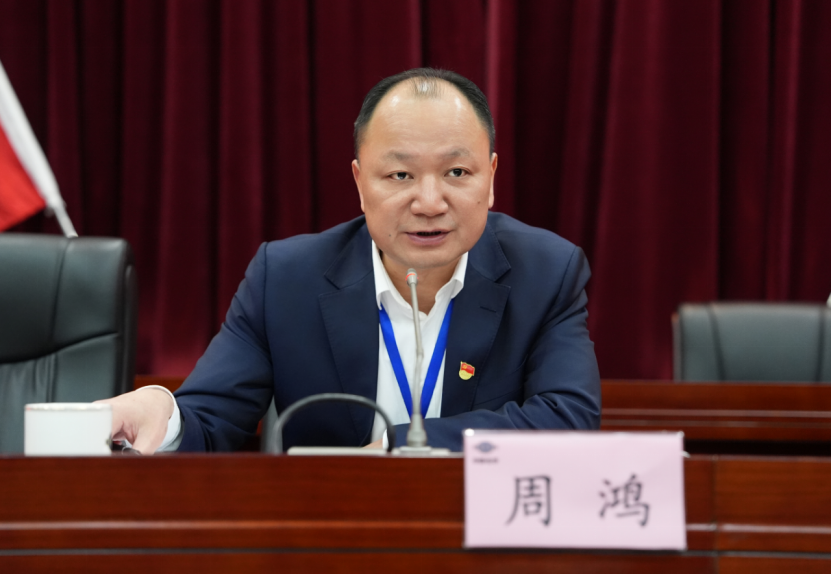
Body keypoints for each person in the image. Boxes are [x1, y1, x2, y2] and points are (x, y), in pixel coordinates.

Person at [99, 68, 601, 453]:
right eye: (400, 176)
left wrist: (399, 448)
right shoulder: (286, 279)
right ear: (360, 183)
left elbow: (569, 419)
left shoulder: (547, 273)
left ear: (489, 178)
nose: (430, 202)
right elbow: (211, 420)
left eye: (456, 172)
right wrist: (162, 409)